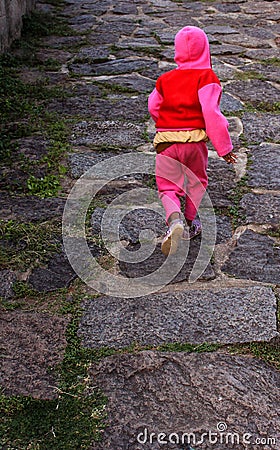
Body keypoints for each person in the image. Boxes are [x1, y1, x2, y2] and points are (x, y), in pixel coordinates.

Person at [148, 26, 237, 256]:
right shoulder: (207, 77)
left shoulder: (165, 79)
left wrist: (166, 123)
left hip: (166, 142)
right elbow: (211, 113)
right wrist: (224, 147)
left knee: (167, 187)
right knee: (196, 182)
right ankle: (189, 223)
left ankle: (174, 221)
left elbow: (153, 106)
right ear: (205, 50)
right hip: (194, 142)